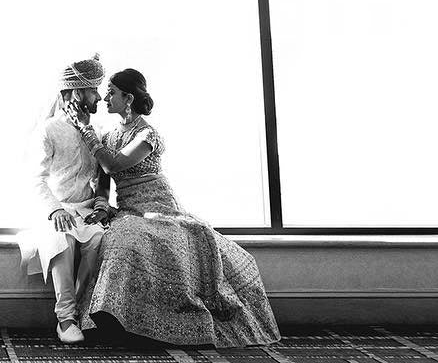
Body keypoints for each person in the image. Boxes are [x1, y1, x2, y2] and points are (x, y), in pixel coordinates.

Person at [64, 68, 281, 347]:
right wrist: (103, 207)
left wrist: (85, 128)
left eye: (112, 92)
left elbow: (114, 164)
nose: (105, 97)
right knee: (121, 240)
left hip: (160, 206)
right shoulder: (106, 138)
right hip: (129, 209)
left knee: (169, 239)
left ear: (128, 98)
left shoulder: (148, 135)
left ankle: (176, 324)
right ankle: (113, 320)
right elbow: (104, 183)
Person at [18, 55, 111, 345]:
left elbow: (103, 177)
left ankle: (82, 311)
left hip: (86, 210)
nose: (99, 97)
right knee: (65, 238)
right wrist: (55, 209)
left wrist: (101, 204)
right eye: (93, 90)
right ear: (76, 93)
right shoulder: (49, 130)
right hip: (56, 210)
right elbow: (35, 178)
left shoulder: (95, 131)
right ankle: (66, 319)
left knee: (97, 241)